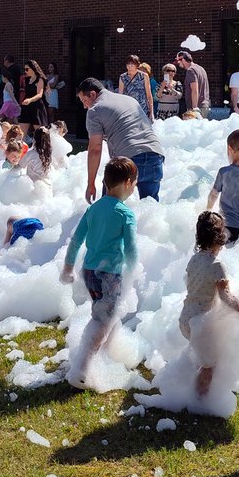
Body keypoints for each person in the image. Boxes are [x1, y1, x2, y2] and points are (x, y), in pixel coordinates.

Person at [60, 156, 139, 389]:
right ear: (127, 183)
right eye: (134, 183)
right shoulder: (125, 214)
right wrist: (133, 272)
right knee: (102, 320)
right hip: (109, 275)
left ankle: (106, 354)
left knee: (107, 314)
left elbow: (76, 240)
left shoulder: (93, 209)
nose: (134, 188)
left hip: (90, 271)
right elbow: (132, 250)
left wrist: (67, 267)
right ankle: (81, 369)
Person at [180, 210, 239, 397]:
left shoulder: (194, 259)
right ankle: (198, 401)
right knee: (209, 366)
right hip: (200, 323)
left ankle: (186, 389)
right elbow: (226, 298)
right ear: (220, 237)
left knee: (202, 357)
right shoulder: (217, 265)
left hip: (185, 318)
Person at [77, 78, 166, 203]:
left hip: (128, 159)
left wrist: (90, 183)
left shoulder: (95, 110)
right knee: (150, 210)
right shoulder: (129, 99)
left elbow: (95, 150)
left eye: (84, 101)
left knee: (108, 208)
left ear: (93, 94)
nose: (85, 106)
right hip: (155, 155)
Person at [17, 60, 48, 138]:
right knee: (21, 133)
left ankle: (44, 149)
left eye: (27, 69)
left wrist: (30, 100)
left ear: (33, 69)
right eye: (24, 69)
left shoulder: (40, 79)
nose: (25, 71)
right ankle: (18, 149)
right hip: (26, 107)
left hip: (36, 107)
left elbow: (39, 94)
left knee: (40, 134)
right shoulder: (27, 80)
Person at [176, 50, 211, 117]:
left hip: (197, 107)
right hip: (204, 105)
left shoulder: (190, 70)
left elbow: (194, 90)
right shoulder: (201, 68)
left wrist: (194, 108)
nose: (178, 63)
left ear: (182, 59)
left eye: (178, 61)